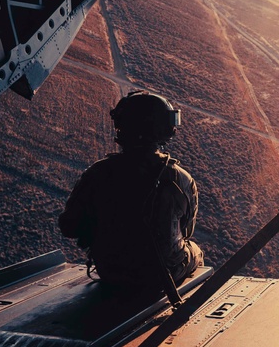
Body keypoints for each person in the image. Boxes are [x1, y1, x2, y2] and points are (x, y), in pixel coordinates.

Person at [59, 89, 203, 300]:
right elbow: (186, 231)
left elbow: (69, 227)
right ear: (165, 129)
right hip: (161, 275)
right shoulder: (180, 178)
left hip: (111, 272)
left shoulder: (98, 173)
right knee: (196, 250)